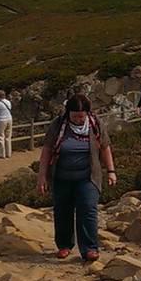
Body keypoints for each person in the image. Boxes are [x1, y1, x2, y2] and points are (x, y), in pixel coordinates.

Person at [36, 94, 117, 263]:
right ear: (68, 113)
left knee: (88, 209)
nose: (78, 120)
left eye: (81, 116)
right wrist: (42, 176)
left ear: (87, 113)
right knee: (62, 211)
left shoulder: (95, 124)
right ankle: (64, 245)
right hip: (62, 177)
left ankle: (90, 248)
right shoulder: (58, 125)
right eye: (74, 117)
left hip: (88, 176)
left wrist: (111, 171)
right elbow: (47, 151)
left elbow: (105, 148)